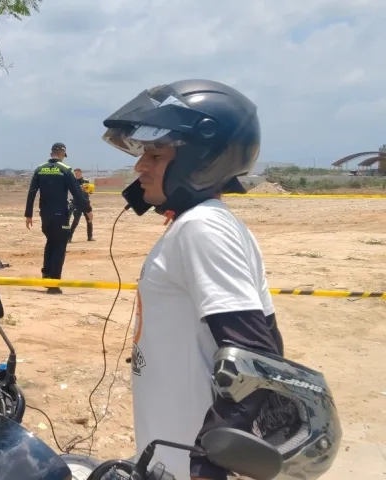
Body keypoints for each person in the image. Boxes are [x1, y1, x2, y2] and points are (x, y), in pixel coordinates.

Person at [102, 79, 310, 479]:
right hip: (170, 450)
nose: (140, 166)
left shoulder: (203, 229)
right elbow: (263, 339)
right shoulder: (197, 225)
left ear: (203, 160)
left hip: (187, 462)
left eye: (155, 155)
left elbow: (254, 355)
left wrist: (210, 461)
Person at [24, 142, 92, 294]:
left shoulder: (39, 169)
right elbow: (77, 193)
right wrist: (88, 210)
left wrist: (28, 214)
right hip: (60, 215)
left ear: (51, 154)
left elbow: (32, 192)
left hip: (45, 214)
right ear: (62, 154)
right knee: (60, 245)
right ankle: (54, 284)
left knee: (50, 242)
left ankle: (47, 274)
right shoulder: (65, 169)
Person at [68, 168, 95, 242]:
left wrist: (88, 189)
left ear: (80, 173)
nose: (75, 175)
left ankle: (90, 236)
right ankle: (69, 237)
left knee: (89, 220)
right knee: (75, 221)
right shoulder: (73, 182)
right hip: (77, 204)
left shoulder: (86, 181)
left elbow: (90, 192)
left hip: (85, 203)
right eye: (74, 174)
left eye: (77, 173)